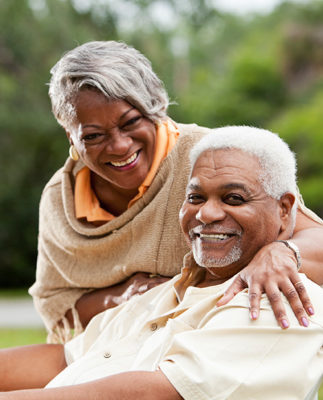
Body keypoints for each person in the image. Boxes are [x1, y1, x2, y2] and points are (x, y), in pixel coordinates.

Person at [29, 40, 323, 343]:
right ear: (70, 134)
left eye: (131, 122)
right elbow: (55, 301)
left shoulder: (213, 159)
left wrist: (282, 252)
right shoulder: (58, 198)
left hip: (213, 347)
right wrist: (122, 297)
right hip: (108, 353)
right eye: (92, 135)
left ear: (157, 107)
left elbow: (315, 238)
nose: (119, 146)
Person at [1, 126, 322, 399]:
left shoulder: (280, 298)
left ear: (283, 210)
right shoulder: (166, 291)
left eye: (233, 198)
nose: (206, 214)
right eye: (196, 197)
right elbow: (64, 360)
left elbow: (160, 392)